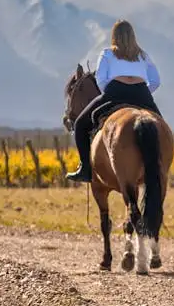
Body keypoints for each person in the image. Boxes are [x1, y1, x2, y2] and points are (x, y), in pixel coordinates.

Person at [66, 19, 163, 183]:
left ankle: (86, 169)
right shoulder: (143, 55)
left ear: (114, 36)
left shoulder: (107, 53)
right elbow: (155, 81)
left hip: (115, 91)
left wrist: (110, 93)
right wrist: (143, 91)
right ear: (133, 36)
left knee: (81, 124)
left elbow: (101, 80)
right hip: (141, 93)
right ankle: (160, 165)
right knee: (161, 127)